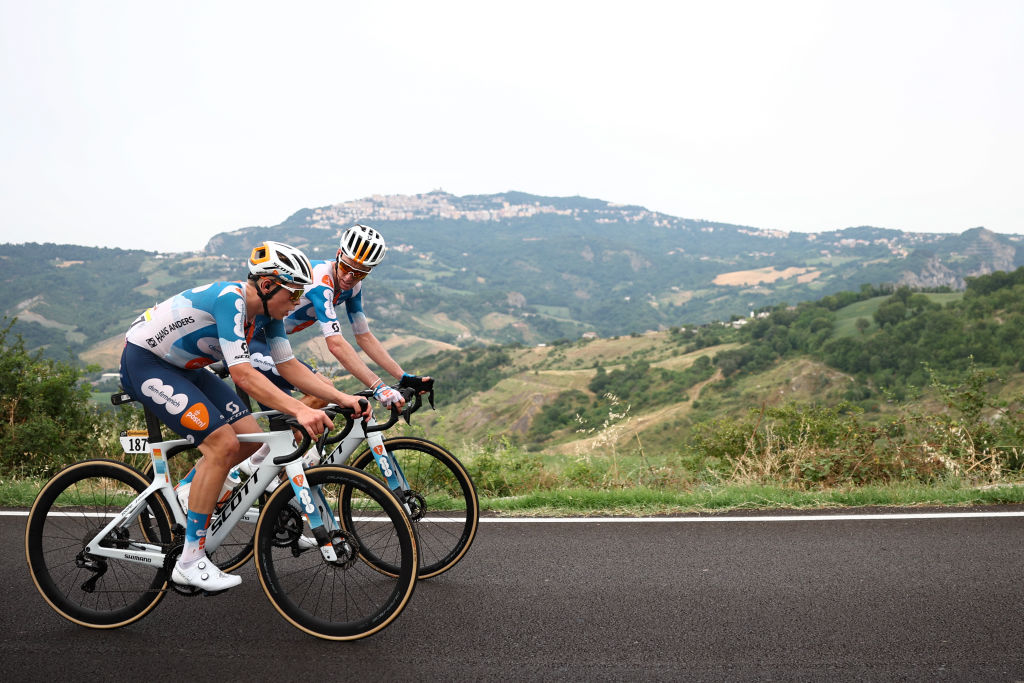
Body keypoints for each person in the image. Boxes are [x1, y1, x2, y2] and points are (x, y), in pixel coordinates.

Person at [118, 241, 369, 592]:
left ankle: (193, 495)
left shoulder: (269, 314)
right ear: (267, 286)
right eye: (293, 295)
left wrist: (342, 397)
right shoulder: (230, 300)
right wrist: (298, 408)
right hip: (145, 362)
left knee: (249, 443)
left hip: (187, 368)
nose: (297, 304)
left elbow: (289, 365)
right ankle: (190, 559)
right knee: (222, 444)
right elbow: (243, 375)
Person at [244, 224, 433, 428]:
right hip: (250, 342)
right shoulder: (321, 282)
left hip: (272, 344)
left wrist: (403, 376)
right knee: (320, 394)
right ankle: (272, 444)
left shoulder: (352, 288)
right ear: (338, 254)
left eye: (360, 273)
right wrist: (378, 386)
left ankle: (280, 443)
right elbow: (335, 344)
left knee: (306, 420)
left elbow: (364, 336)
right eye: (346, 267)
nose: (349, 277)